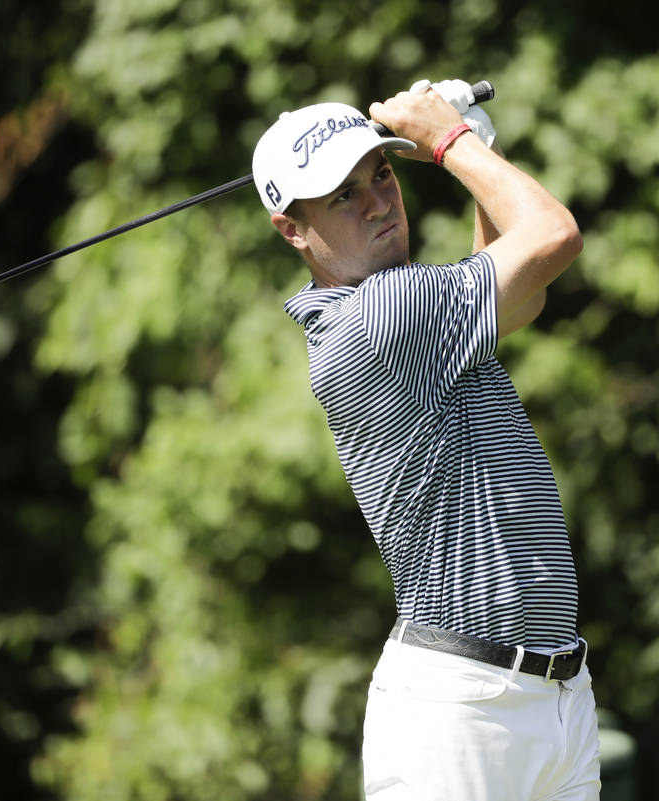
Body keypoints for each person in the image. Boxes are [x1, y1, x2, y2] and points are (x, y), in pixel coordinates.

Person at [252, 79, 598, 800]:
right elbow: (555, 235)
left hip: (555, 694)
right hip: (460, 713)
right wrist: (451, 141)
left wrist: (477, 146)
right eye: (343, 195)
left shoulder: (407, 310)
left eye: (383, 173)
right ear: (291, 229)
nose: (379, 200)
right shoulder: (379, 318)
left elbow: (521, 295)